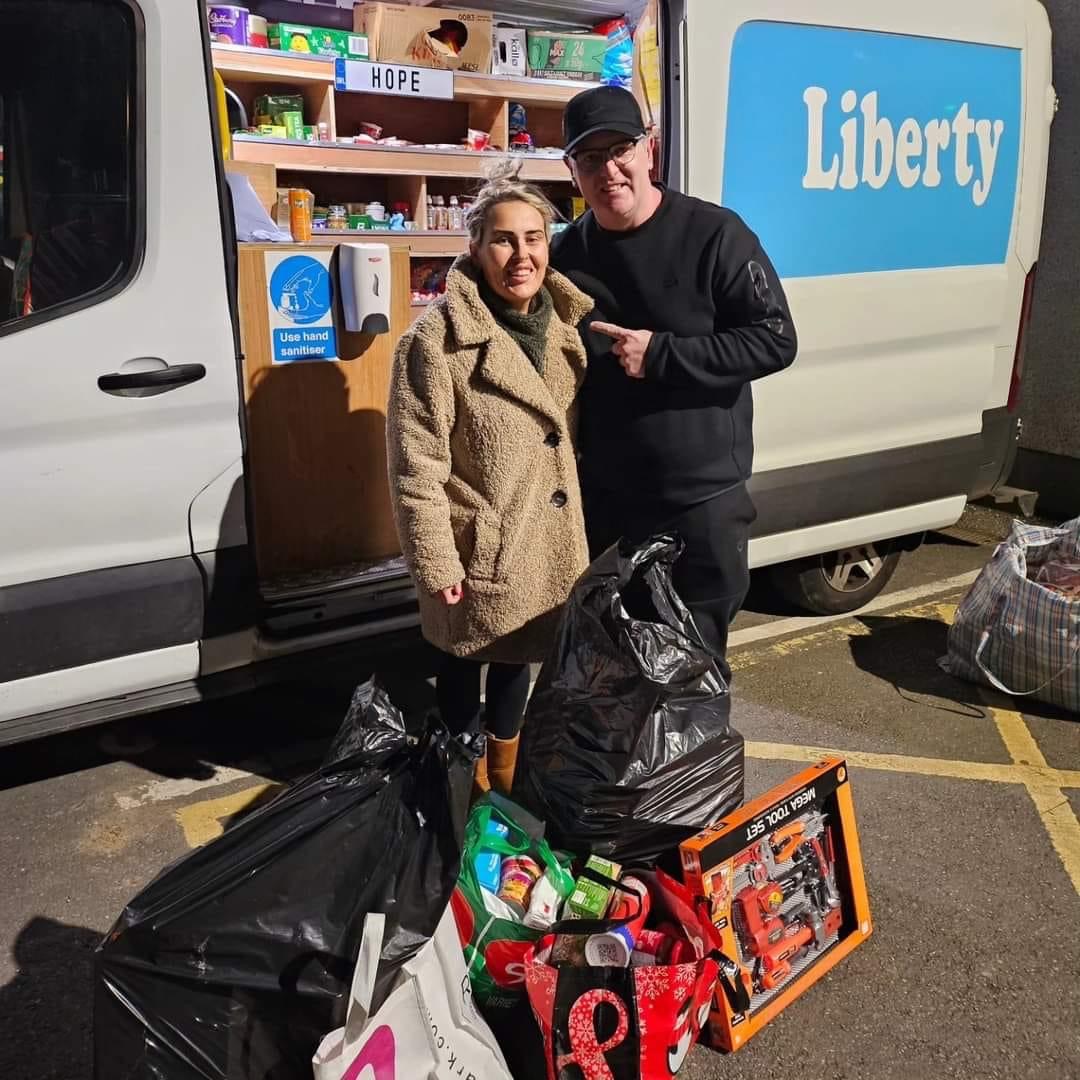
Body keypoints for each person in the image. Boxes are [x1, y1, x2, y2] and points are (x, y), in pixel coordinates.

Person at [550, 85, 798, 690]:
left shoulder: (715, 234)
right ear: (571, 171)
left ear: (649, 150)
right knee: (612, 673)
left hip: (699, 502)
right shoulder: (565, 253)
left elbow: (775, 340)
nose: (609, 170)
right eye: (590, 158)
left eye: (620, 150)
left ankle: (692, 757)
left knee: (693, 678)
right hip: (608, 503)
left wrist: (661, 354)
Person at [386, 162, 593, 795]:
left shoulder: (565, 326)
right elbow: (415, 465)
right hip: (479, 546)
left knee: (516, 668)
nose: (521, 255)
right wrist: (436, 560)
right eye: (503, 240)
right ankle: (457, 791)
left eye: (534, 238)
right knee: (461, 666)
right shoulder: (435, 342)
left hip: (545, 539)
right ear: (476, 247)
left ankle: (500, 794)